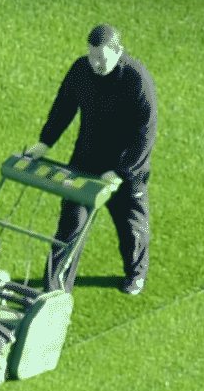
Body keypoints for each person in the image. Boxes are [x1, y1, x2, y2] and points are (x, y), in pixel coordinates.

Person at [32, 23, 154, 293]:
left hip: (126, 167)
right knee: (70, 226)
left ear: (118, 51)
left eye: (102, 58)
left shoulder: (137, 80)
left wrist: (121, 172)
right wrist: (44, 143)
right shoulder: (81, 70)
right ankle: (54, 291)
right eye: (92, 56)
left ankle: (136, 274)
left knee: (130, 227)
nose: (96, 63)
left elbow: (145, 133)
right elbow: (63, 105)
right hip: (87, 159)